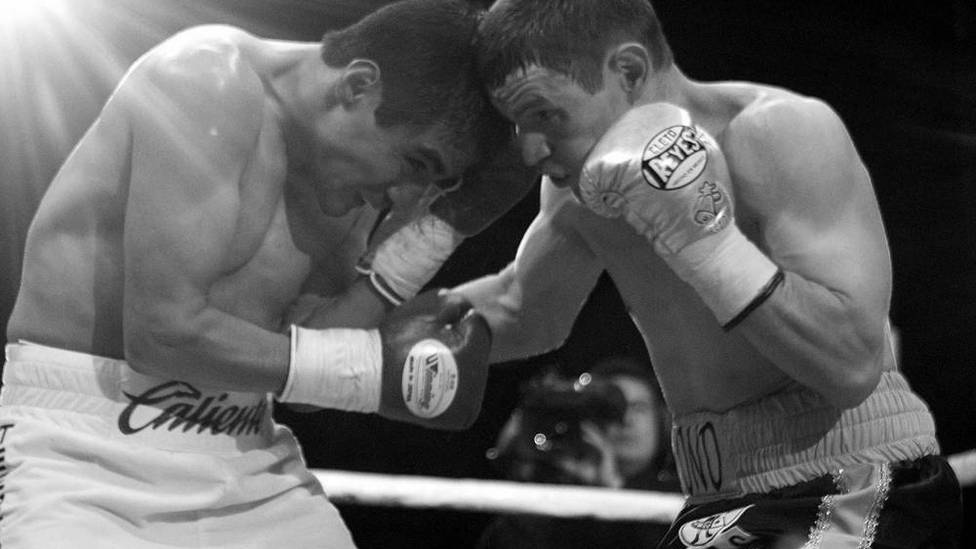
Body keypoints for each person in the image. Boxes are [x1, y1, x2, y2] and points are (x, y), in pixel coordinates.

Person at [0, 0, 533, 547]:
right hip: (83, 453)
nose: (406, 197)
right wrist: (372, 370)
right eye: (417, 163)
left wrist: (435, 236)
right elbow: (162, 333)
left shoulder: (348, 175)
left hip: (244, 448)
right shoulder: (205, 78)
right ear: (357, 86)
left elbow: (303, 369)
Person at [454, 0, 964, 547]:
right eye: (517, 123)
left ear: (628, 71)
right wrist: (385, 341)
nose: (530, 150)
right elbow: (522, 310)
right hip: (714, 494)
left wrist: (708, 244)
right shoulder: (577, 190)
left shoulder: (777, 132)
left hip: (852, 479)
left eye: (544, 114)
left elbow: (851, 365)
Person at [477, 356, 679, 549]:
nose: (626, 420)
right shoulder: (553, 491)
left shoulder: (684, 495)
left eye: (639, 408)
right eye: (612, 410)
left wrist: (613, 489)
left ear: (662, 421)